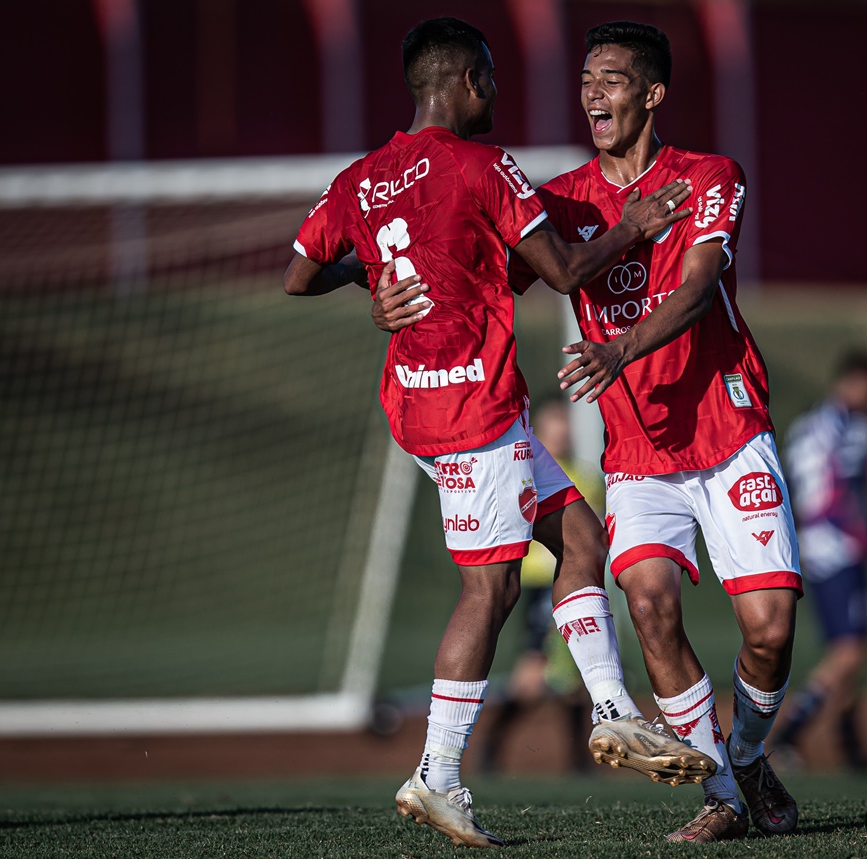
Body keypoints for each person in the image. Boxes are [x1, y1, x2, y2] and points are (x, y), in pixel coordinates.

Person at [283, 17, 710, 849]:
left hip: (424, 404)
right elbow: (566, 270)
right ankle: (437, 773)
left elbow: (299, 273)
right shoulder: (485, 166)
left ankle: (615, 710)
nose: (499, 97)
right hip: (469, 412)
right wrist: (636, 223)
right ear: (472, 80)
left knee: (582, 539)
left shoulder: (360, 179)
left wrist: (370, 281)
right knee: (493, 589)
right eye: (494, 81)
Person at [509, 21, 803, 844]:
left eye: (611, 77)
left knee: (771, 631)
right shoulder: (562, 201)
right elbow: (490, 276)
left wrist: (619, 347)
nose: (592, 91)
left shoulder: (710, 176)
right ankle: (720, 793)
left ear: (652, 93)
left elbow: (702, 288)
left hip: (731, 429)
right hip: (639, 453)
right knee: (647, 601)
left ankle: (744, 754)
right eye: (586, 77)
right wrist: (389, 295)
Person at [773, 348, 867, 772]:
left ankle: (850, 744)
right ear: (855, 383)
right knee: (850, 652)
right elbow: (841, 490)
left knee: (851, 647)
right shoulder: (847, 427)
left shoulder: (810, 425)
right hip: (837, 545)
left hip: (821, 545)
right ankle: (788, 735)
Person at [479, 399, 597, 774]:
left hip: (575, 581)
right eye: (553, 427)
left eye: (565, 427)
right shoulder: (524, 471)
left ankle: (579, 762)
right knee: (532, 675)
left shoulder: (585, 477)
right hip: (539, 588)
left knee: (575, 672)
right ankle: (491, 745)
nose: (561, 434)